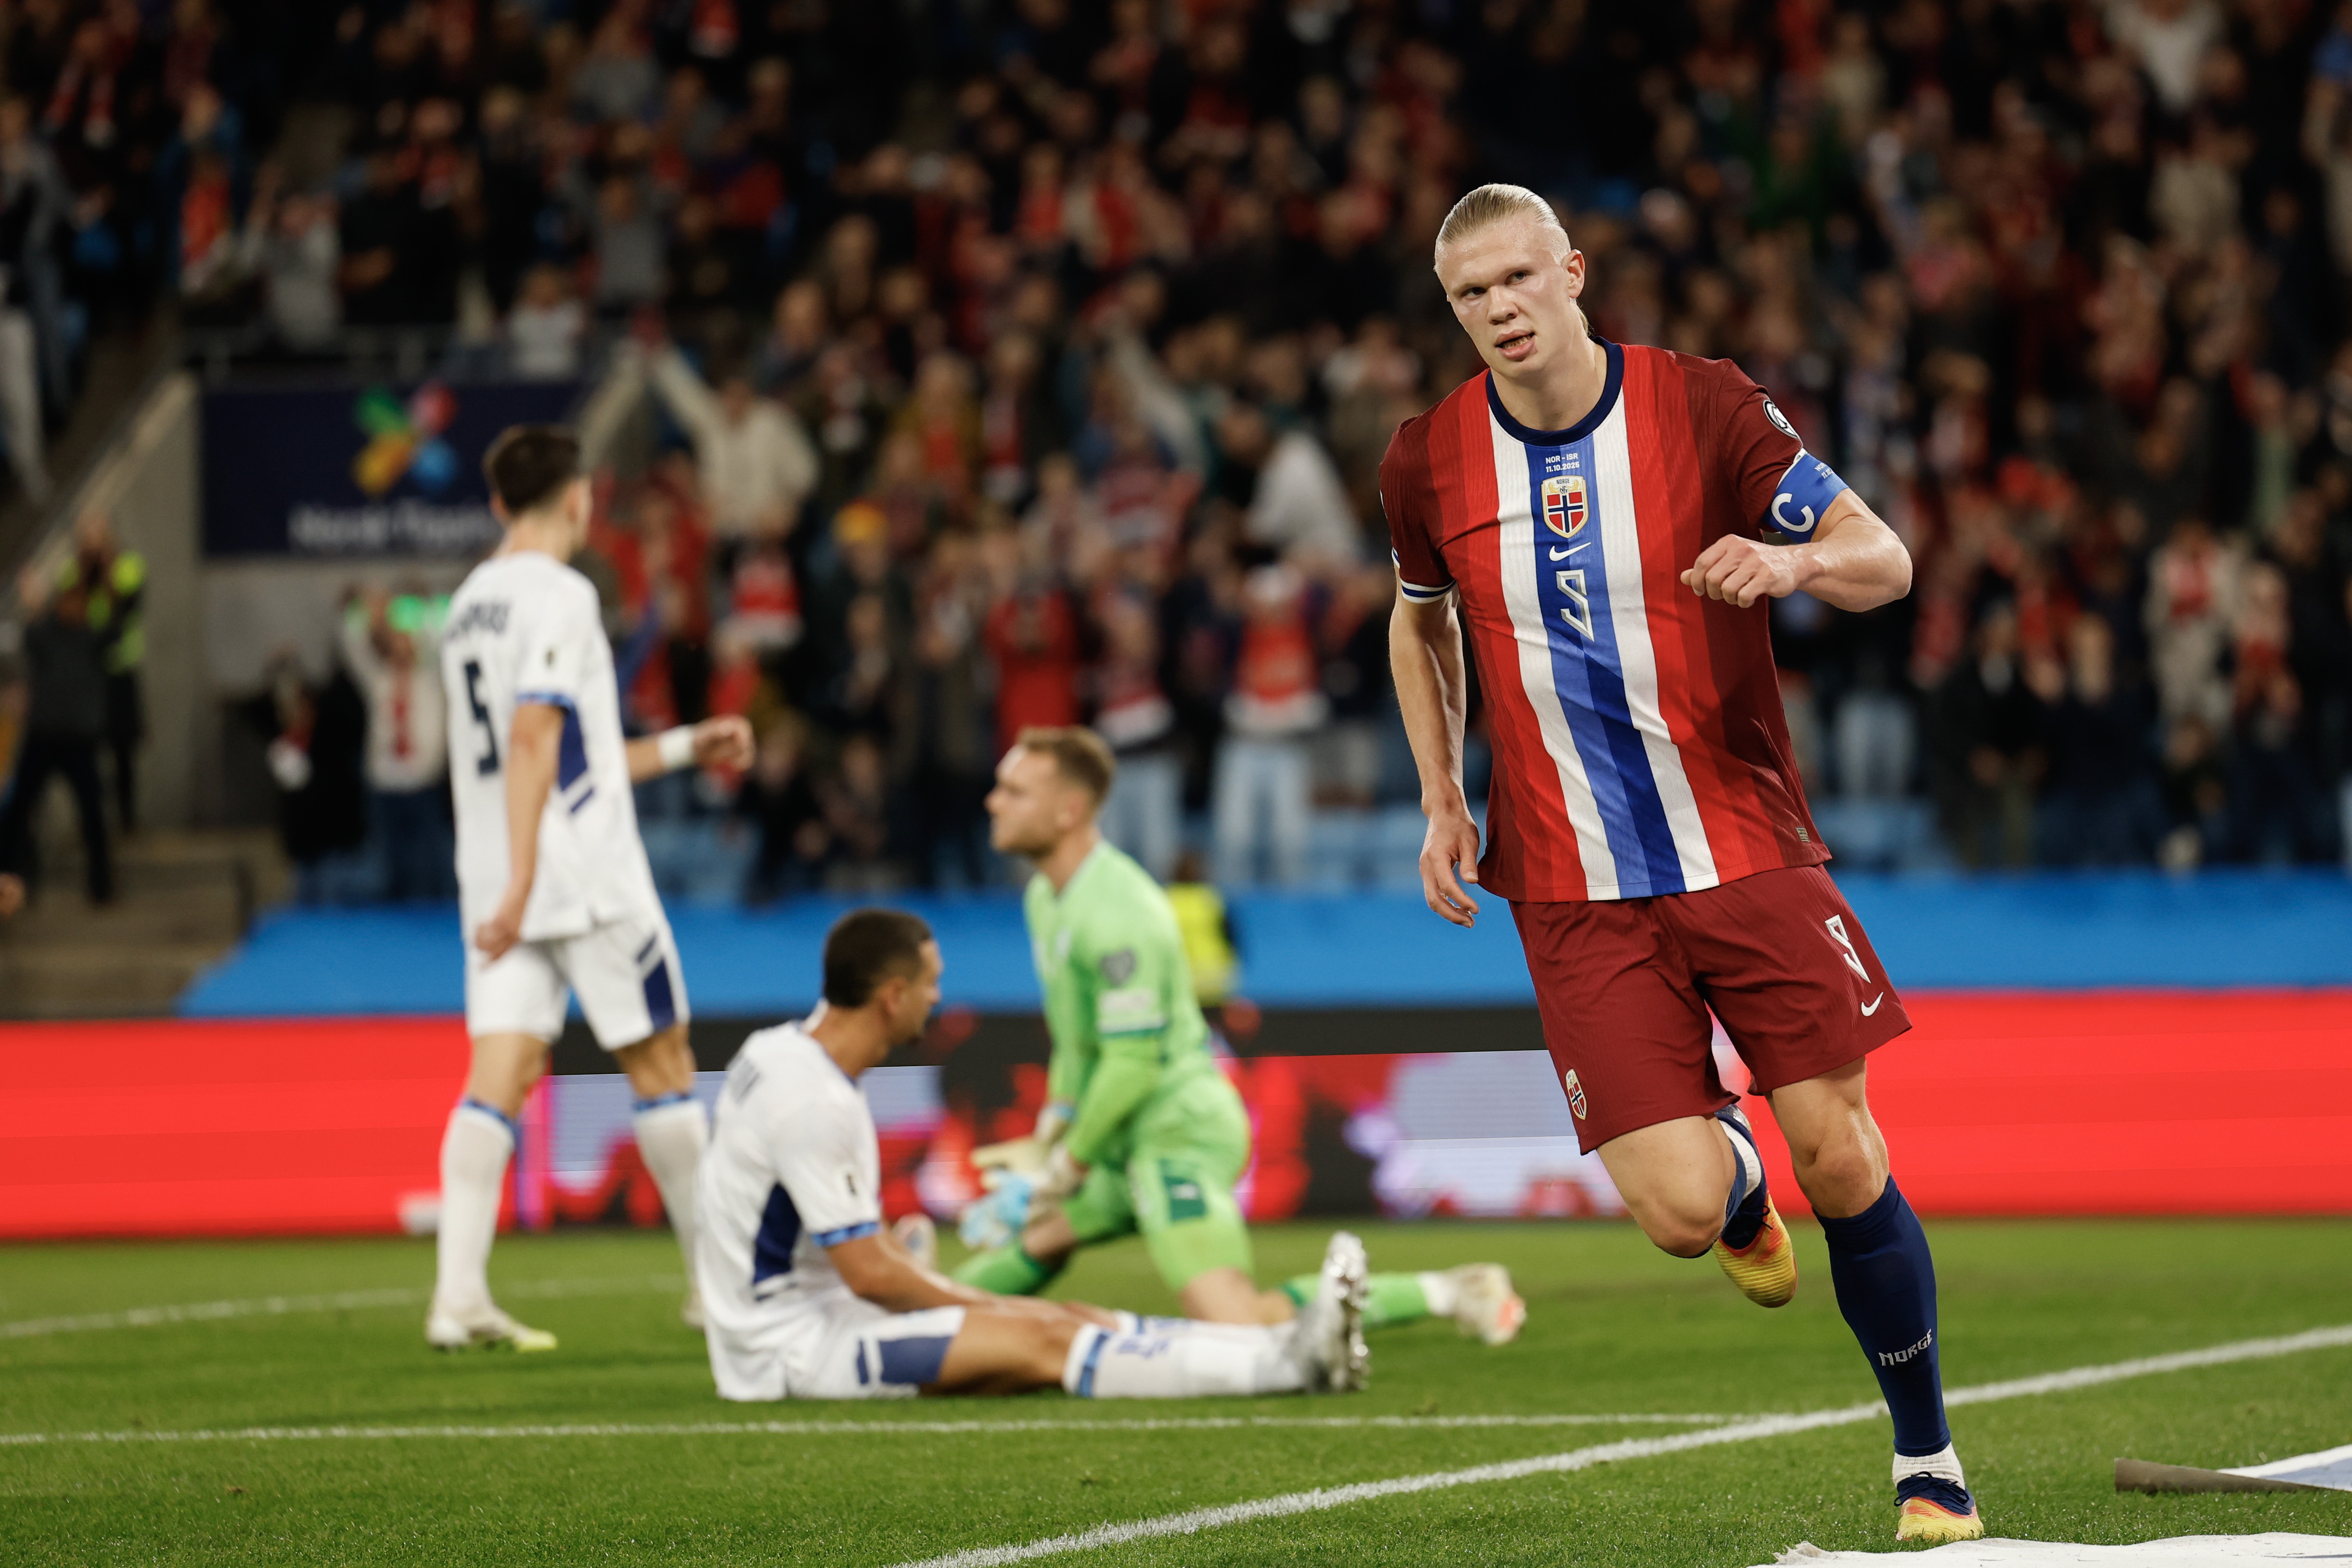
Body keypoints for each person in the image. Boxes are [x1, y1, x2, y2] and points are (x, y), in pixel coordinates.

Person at [1385, 185, 1978, 1545]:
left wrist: (1788, 563)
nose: (1499, 310)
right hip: (1569, 886)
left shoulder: (1700, 407)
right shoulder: (1423, 460)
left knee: (1839, 1152)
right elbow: (1418, 627)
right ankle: (1733, 1182)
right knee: (1674, 1211)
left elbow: (1879, 559)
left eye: (1519, 279)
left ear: (1572, 272)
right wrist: (1436, 795)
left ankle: (1924, 1461)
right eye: (1470, 295)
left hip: (1742, 849)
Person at [952, 726, 1524, 1347]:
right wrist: (1051, 1134)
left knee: (1237, 1324)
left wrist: (1063, 1167)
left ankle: (1450, 1290)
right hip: (1122, 1133)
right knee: (1037, 1242)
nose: (993, 802)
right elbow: (1075, 1042)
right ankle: (905, 1322)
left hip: (1175, 1135)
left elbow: (1133, 1066)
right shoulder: (1047, 895)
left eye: (1014, 790)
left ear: (1068, 810)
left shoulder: (1121, 913)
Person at [694, 906, 1369, 1401]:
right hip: (795, 1350)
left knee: (1070, 1318)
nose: (937, 998)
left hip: (813, 1315)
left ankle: (1281, 1345)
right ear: (891, 996)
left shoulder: (774, 1050)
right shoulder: (815, 1100)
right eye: (929, 984)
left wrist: (906, 1265)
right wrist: (966, 1300)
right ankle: (1289, 1366)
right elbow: (871, 1276)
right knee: (1042, 1337)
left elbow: (759, 1209)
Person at [431, 424, 756, 1352]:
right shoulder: (565, 594)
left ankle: (457, 1295)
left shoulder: (466, 608)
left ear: (498, 504)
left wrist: (691, 742)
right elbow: (537, 738)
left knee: (501, 1074)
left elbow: (574, 757)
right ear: (579, 499)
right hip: (577, 873)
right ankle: (714, 1292)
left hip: (494, 872)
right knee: (662, 1066)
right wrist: (535, 876)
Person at [0, 564, 111, 903]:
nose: (73, 609)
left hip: (79, 740)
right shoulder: (43, 635)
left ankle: (101, 885)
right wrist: (35, 601)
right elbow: (30, 630)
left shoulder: (92, 638)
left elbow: (118, 626)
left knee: (92, 812)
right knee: (18, 812)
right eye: (67, 601)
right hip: (43, 738)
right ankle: (17, 878)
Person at [338, 584, 450, 901]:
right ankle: (393, 920)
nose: (401, 645)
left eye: (407, 639)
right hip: (385, 782)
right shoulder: (378, 679)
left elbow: (442, 636)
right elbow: (351, 644)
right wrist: (367, 612)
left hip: (423, 782)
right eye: (395, 640)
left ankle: (431, 911)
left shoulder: (432, 678)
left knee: (430, 857)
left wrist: (419, 609)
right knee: (389, 860)